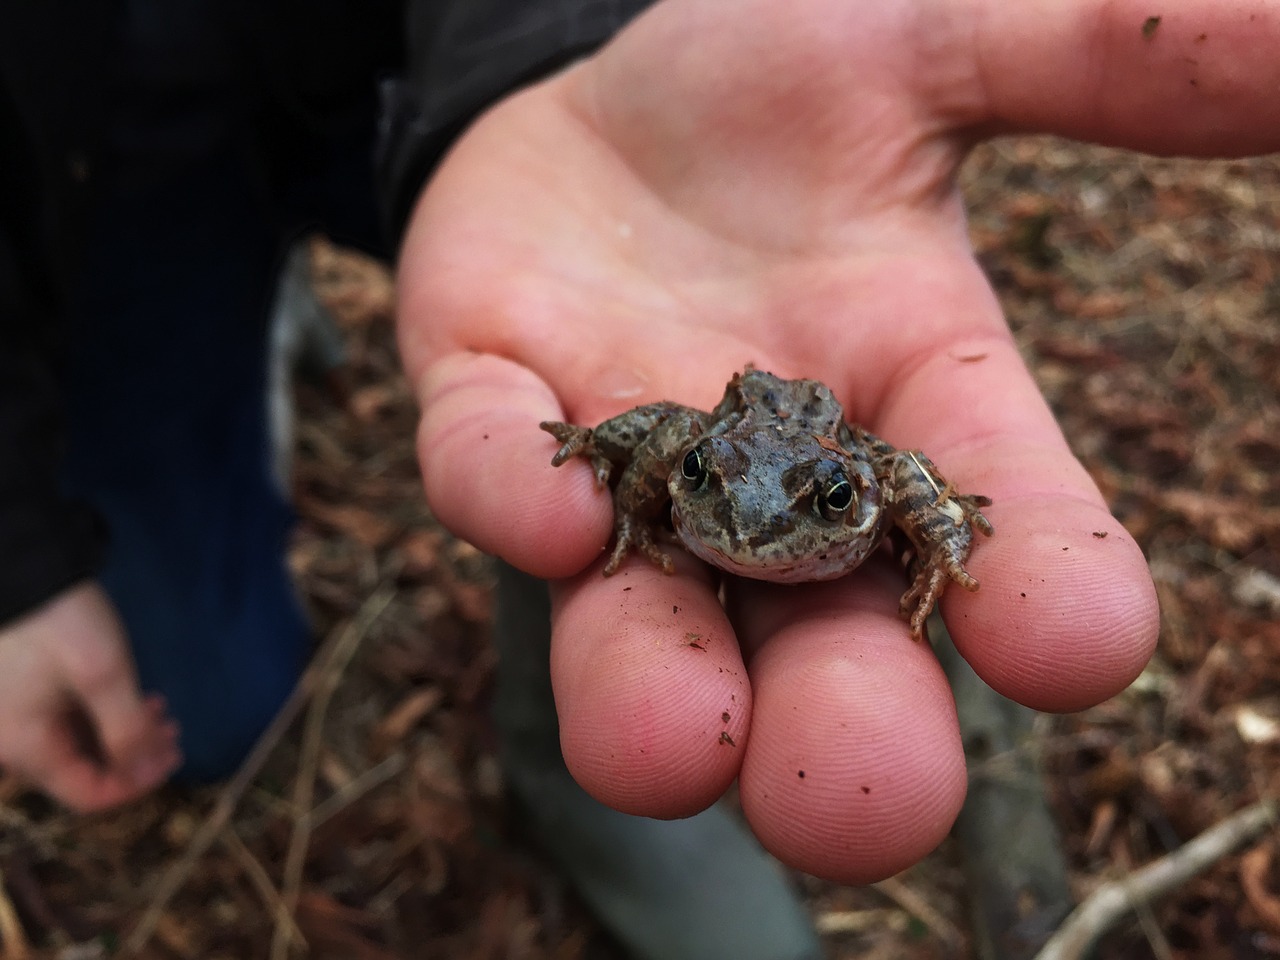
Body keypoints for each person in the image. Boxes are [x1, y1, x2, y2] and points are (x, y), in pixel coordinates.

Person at [1, 0, 1277, 954]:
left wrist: (932, 535)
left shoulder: (858, 488)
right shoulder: (699, 475)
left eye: (819, 512)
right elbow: (659, 446)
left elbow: (904, 474)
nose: (755, 531)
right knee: (220, 703)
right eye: (721, 498)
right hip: (86, 144)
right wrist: (19, 563)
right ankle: (248, 307)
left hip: (415, 68)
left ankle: (569, 727)